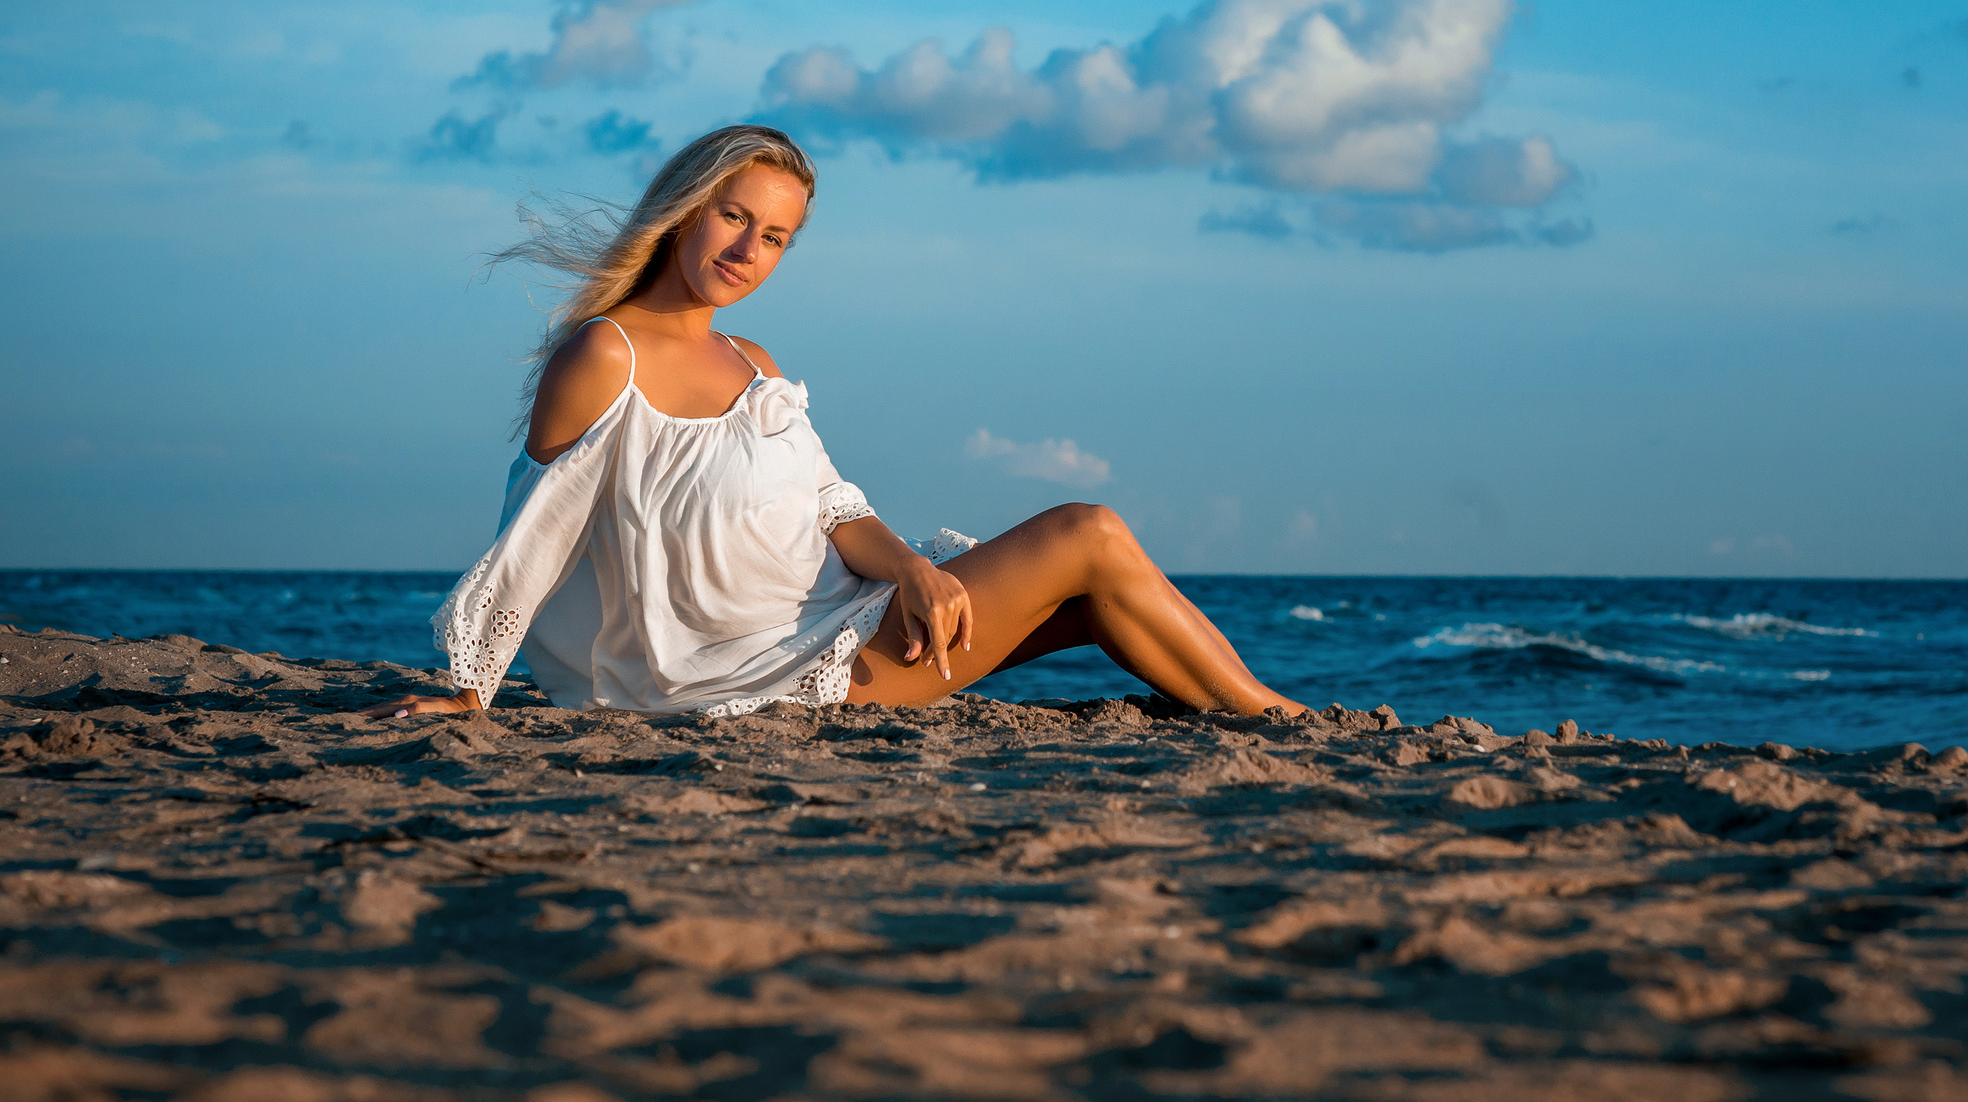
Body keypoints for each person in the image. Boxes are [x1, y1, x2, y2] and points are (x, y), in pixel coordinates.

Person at [371, 123, 1302, 721]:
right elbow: (533, 531)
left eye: (774, 236)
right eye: (733, 217)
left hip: (843, 612)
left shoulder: (755, 364)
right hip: (760, 669)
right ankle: (1283, 724)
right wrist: (470, 686)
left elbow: (832, 508)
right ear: (685, 208)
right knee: (1088, 535)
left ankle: (1255, 710)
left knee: (1095, 597)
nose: (748, 249)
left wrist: (914, 568)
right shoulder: (606, 354)